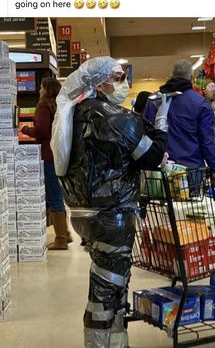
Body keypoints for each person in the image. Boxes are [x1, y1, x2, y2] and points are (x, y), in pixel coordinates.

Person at [50, 56, 168, 348]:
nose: (122, 83)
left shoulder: (73, 112)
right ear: (99, 83)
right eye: (117, 77)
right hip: (111, 217)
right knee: (104, 294)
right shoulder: (113, 118)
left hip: (85, 215)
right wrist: (160, 122)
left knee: (112, 285)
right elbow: (153, 157)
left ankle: (117, 342)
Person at [144, 59, 215, 185]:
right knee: (192, 205)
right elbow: (207, 141)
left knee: (160, 204)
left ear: (172, 75)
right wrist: (214, 168)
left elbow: (146, 136)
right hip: (191, 169)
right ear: (191, 77)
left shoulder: (153, 100)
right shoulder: (200, 104)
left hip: (160, 171)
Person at [21, 77, 72, 250]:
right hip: (61, 154)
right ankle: (67, 234)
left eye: (41, 87)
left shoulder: (43, 105)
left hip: (48, 155)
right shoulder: (60, 104)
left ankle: (60, 239)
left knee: (54, 196)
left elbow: (41, 131)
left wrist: (26, 130)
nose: (39, 91)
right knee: (59, 194)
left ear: (47, 89)